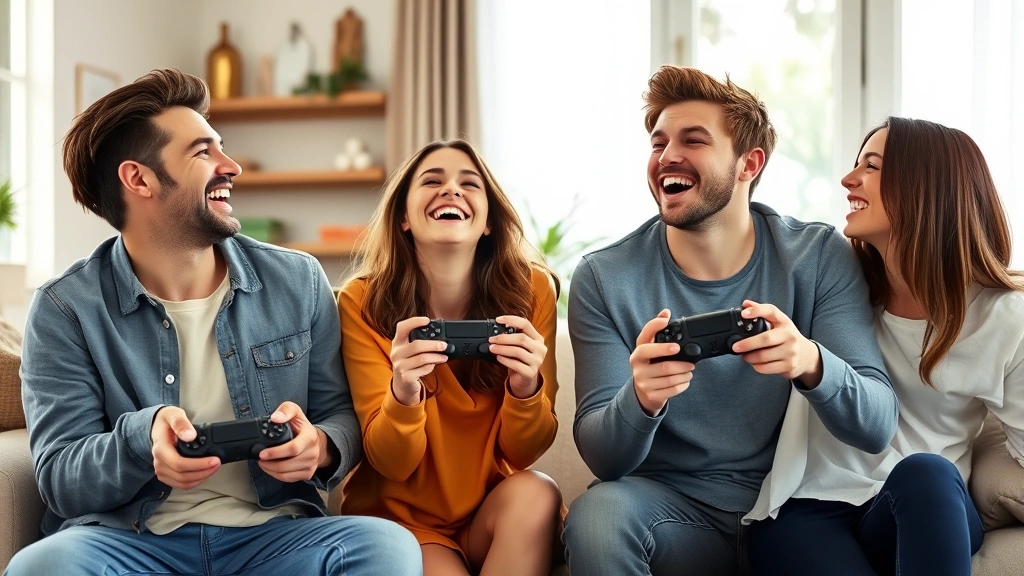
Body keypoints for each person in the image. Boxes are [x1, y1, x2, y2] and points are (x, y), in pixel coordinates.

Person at [5, 69, 421, 576]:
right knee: (43, 566)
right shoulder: (66, 308)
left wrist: (320, 447)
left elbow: (340, 415)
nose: (232, 166)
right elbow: (60, 477)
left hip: (275, 538)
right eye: (204, 153)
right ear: (139, 179)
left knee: (385, 547)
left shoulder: (297, 279)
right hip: (129, 542)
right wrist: (143, 440)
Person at [561, 65, 900, 576]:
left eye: (693, 140)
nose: (667, 156)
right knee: (597, 517)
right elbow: (605, 461)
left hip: (793, 514)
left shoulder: (816, 255)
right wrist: (643, 398)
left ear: (749, 163)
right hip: (672, 516)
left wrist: (809, 361)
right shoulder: (604, 277)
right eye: (658, 143)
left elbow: (877, 424)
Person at [747, 117, 1024, 575]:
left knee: (927, 473)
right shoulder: (836, 284)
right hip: (812, 506)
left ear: (927, 187)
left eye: (871, 166)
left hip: (923, 506)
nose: (847, 179)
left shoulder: (1005, 320)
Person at [337, 139, 563, 576]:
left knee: (538, 490)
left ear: (489, 222)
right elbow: (392, 462)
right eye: (432, 181)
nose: (451, 191)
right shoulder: (360, 301)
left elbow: (524, 452)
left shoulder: (533, 290)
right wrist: (403, 393)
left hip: (491, 512)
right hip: (401, 521)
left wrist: (525, 387)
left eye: (469, 184)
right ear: (403, 217)